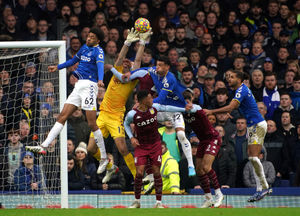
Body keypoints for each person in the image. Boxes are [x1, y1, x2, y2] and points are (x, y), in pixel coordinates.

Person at [25, 28, 106, 167]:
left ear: (97, 40)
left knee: (92, 123)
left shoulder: (99, 51)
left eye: (92, 37)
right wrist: (58, 66)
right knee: (62, 116)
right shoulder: (85, 48)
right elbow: (73, 60)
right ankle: (43, 146)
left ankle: (104, 157)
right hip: (78, 86)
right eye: (88, 36)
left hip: (90, 87)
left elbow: (100, 66)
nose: (88, 38)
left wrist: (100, 79)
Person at [110, 55, 196, 177]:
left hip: (173, 110)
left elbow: (160, 99)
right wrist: (126, 71)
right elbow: (139, 72)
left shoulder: (170, 79)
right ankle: (147, 170)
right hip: (160, 110)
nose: (157, 68)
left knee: (181, 134)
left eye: (161, 65)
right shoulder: (153, 70)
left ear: (167, 67)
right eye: (157, 64)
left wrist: (141, 104)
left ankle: (191, 165)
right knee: (143, 125)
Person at [87, 28, 152, 182]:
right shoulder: (117, 71)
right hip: (103, 114)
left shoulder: (133, 77)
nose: (125, 62)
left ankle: (139, 177)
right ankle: (111, 167)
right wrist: (127, 42)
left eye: (128, 63)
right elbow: (120, 56)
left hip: (116, 116)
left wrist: (142, 43)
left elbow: (137, 60)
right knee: (90, 149)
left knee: (123, 148)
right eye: (124, 62)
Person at [204, 70, 272, 202]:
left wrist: (211, 111)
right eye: (228, 77)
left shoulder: (241, 90)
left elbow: (230, 107)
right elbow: (239, 108)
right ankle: (261, 189)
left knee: (253, 157)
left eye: (232, 77)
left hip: (257, 124)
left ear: (239, 79)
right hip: (253, 125)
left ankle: (263, 188)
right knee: (252, 157)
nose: (229, 79)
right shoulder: (240, 91)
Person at [124, 90, 191, 208]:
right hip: (141, 146)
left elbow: (168, 108)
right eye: (150, 98)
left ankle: (158, 202)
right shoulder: (132, 114)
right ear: (143, 100)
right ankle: (137, 201)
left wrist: (183, 108)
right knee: (139, 173)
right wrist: (131, 138)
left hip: (155, 144)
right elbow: (125, 124)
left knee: (156, 172)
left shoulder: (154, 108)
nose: (152, 100)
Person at [182, 90, 224, 208]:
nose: (187, 103)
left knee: (206, 167)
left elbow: (196, 108)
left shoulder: (197, 109)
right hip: (203, 141)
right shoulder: (183, 112)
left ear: (192, 99)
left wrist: (192, 106)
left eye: (189, 100)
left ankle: (219, 194)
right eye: (185, 101)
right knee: (199, 170)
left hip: (213, 138)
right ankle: (208, 198)